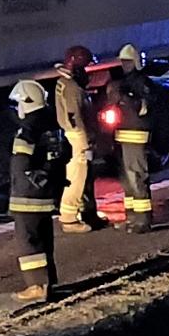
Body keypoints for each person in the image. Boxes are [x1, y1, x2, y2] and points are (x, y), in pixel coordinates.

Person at [8, 80, 68, 303]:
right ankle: (47, 282)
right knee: (44, 239)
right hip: (46, 193)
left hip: (27, 196)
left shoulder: (28, 130)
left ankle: (36, 285)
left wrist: (20, 186)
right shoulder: (51, 123)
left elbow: (21, 165)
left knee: (28, 240)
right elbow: (64, 153)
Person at [105, 44, 157, 233]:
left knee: (136, 176)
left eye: (128, 61)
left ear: (136, 62)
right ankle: (131, 217)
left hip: (136, 135)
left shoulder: (142, 83)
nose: (125, 64)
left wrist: (124, 97)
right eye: (123, 61)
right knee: (126, 178)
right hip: (123, 134)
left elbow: (143, 107)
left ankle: (143, 220)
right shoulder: (125, 82)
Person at [53, 45, 104, 233]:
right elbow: (76, 116)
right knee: (77, 176)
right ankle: (69, 219)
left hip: (73, 135)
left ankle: (82, 213)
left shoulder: (64, 83)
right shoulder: (72, 87)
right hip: (78, 137)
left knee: (80, 175)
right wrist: (86, 140)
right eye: (84, 67)